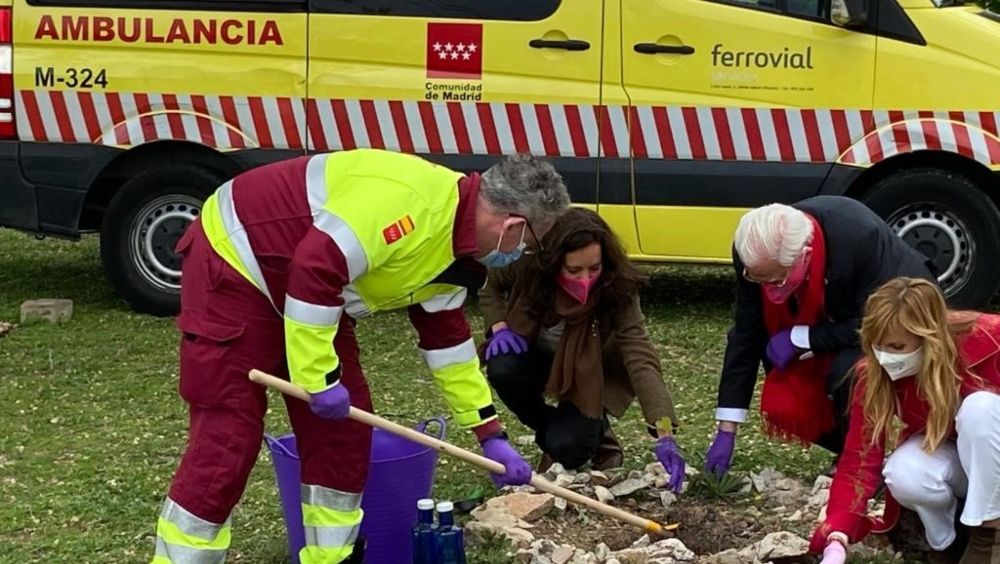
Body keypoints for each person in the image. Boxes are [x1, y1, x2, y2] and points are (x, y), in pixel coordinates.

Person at [151, 149, 571, 564]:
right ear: (512, 225)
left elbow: (449, 347)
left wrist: (489, 434)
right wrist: (318, 379)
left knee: (344, 435)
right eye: (529, 244)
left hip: (308, 295)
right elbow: (316, 267)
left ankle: (330, 557)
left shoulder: (456, 256)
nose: (520, 255)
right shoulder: (409, 204)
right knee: (228, 441)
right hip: (237, 260)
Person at [704, 196, 936, 477]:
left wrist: (807, 338)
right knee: (786, 380)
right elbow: (746, 332)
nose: (767, 289)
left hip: (895, 316)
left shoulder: (858, 238)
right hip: (821, 318)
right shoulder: (753, 254)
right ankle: (847, 450)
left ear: (805, 256)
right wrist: (727, 427)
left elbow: (880, 324)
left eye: (776, 280)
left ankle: (864, 464)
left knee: (848, 372)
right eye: (758, 280)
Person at [477, 208, 685, 491]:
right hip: (537, 357)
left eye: (594, 269)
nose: (585, 279)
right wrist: (498, 327)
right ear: (553, 263)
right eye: (574, 270)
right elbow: (489, 285)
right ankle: (579, 433)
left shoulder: (618, 286)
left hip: (592, 375)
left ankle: (582, 437)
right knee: (503, 368)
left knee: (567, 448)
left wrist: (663, 431)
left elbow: (639, 353)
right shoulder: (527, 264)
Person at [811, 277, 1000, 564]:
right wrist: (837, 533)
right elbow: (859, 460)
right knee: (904, 472)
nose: (885, 357)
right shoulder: (873, 374)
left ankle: (988, 538)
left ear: (929, 336)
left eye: (897, 346)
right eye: (877, 346)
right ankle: (947, 543)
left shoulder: (990, 339)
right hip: (963, 458)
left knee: (980, 410)